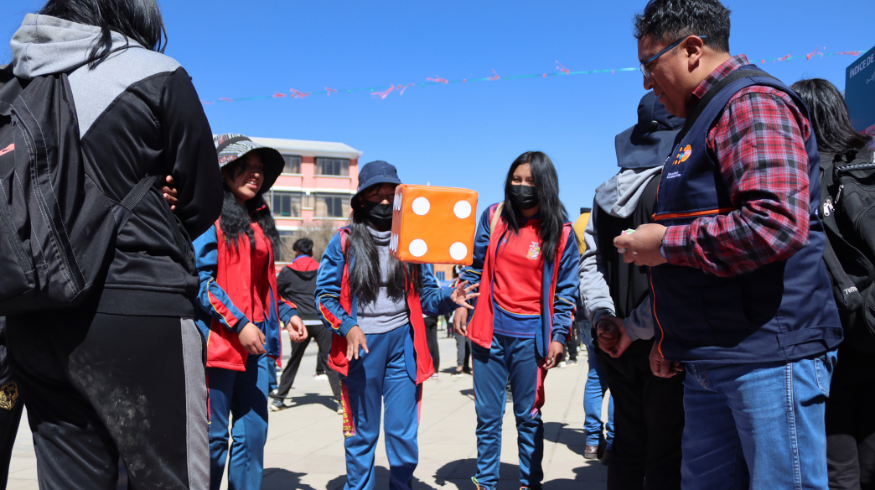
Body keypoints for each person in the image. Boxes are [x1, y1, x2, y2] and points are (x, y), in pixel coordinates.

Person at [615, 0, 844, 487]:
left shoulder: (751, 103)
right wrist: (672, 333)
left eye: (649, 64)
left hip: (767, 356)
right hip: (712, 355)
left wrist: (665, 245)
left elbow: (775, 224)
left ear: (692, 49)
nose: (645, 81)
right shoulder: (701, 121)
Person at [5, 2, 223, 487]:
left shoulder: (13, 82)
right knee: (172, 477)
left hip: (31, 314)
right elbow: (202, 197)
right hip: (138, 304)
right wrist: (161, 209)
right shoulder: (154, 72)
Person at [315, 160, 477, 490]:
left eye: (392, 193)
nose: (386, 201)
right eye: (377, 193)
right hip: (360, 349)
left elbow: (429, 296)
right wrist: (348, 326)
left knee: (403, 433)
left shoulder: (415, 242)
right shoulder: (344, 242)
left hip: (403, 347)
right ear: (362, 200)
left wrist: (450, 297)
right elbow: (324, 297)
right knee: (361, 433)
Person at [455, 151, 580, 490]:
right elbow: (474, 265)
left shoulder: (562, 233)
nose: (522, 186)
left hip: (531, 339)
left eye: (530, 181)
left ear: (545, 186)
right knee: (488, 418)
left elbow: (566, 293)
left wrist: (558, 336)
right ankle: (487, 482)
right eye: (517, 179)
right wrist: (464, 302)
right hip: (488, 334)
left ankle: (529, 482)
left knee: (528, 417)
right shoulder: (494, 217)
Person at [580, 91, 686, 488]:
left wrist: (604, 318)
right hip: (663, 342)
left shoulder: (602, 194)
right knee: (666, 452)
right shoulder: (671, 187)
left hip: (615, 345)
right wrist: (635, 326)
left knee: (627, 445)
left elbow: (590, 263)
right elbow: (676, 272)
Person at [193, 134, 307, 490]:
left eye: (260, 169)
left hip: (257, 343)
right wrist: (238, 322)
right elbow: (199, 280)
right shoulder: (206, 212)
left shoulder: (259, 218)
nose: (255, 174)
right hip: (217, 344)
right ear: (225, 169)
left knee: (253, 434)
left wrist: (287, 312)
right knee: (212, 440)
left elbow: (264, 284)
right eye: (247, 166)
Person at [791, 78, 875, 490]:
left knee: (837, 462)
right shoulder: (869, 162)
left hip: (831, 335)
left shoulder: (802, 175)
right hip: (874, 326)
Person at [272, 237, 342, 412]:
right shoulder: (322, 269)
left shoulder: (287, 272)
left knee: (294, 361)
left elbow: (274, 293)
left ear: (295, 252)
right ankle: (341, 402)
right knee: (329, 361)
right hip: (322, 321)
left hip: (299, 323)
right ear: (311, 252)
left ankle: (279, 400)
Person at [579, 315, 614, 461]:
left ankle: (592, 442)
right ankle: (613, 441)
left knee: (595, 378)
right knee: (618, 381)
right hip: (612, 319)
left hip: (588, 318)